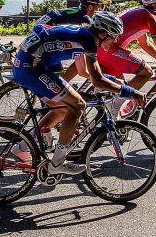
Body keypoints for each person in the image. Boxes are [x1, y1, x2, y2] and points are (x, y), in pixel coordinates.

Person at [12, 11, 147, 174]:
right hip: (32, 67)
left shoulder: (81, 36)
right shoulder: (88, 40)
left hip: (25, 65)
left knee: (63, 108)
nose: (115, 41)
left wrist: (112, 79)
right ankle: (57, 163)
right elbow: (97, 81)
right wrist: (131, 92)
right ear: (103, 33)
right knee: (78, 104)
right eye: (113, 36)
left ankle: (22, 147)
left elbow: (83, 71)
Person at [36, 0, 104, 26]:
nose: (99, 10)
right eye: (98, 6)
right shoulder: (84, 18)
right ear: (90, 7)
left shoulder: (78, 11)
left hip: (40, 25)